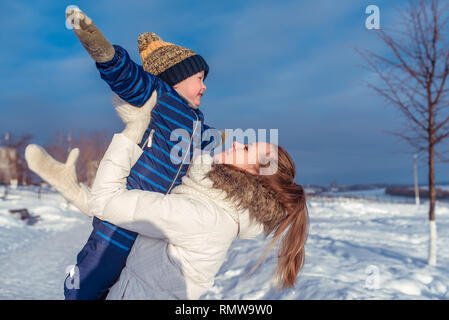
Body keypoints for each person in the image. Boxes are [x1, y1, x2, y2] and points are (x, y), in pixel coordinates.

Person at [26, 7, 221, 300]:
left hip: (153, 219)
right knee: (95, 272)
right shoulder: (160, 96)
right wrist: (106, 55)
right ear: (177, 78)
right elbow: (130, 79)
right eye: (200, 78)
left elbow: (213, 147)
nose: (204, 86)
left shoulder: (197, 121)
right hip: (124, 211)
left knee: (128, 280)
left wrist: (237, 150)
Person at [90, 93, 309, 298]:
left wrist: (132, 133)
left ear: (253, 175)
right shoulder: (211, 207)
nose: (235, 142)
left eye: (245, 149)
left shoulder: (203, 217)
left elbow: (104, 200)